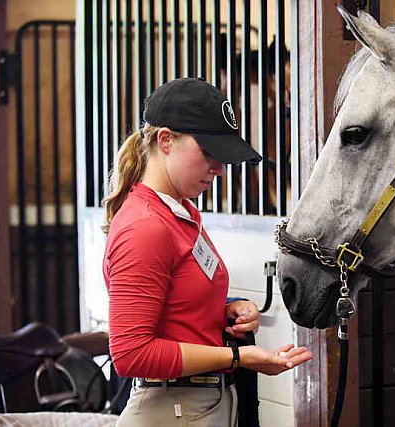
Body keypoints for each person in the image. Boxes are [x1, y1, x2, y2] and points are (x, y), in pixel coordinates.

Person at [101, 77, 312, 426]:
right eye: (208, 153)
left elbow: (176, 304)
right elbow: (131, 353)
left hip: (200, 404)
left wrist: (228, 309)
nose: (218, 169)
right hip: (172, 409)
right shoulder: (146, 226)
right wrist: (237, 357)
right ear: (165, 140)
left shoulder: (182, 213)